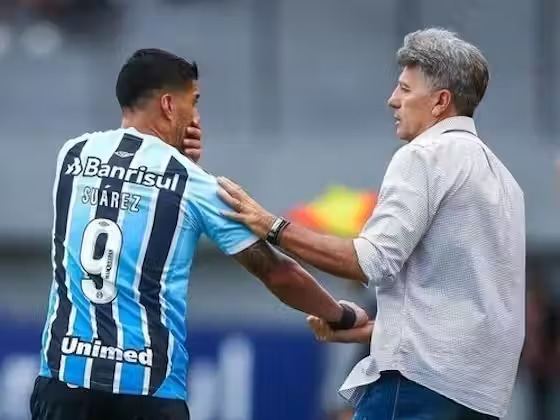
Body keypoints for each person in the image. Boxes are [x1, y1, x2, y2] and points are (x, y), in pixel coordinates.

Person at [30, 48, 368, 420]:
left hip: (63, 383)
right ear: (169, 105)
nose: (197, 116)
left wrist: (175, 157)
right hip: (147, 390)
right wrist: (338, 314)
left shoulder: (72, 156)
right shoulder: (193, 183)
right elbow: (277, 273)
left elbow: (128, 192)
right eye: (194, 102)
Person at [215, 28, 526, 420]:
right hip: (482, 397)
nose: (392, 100)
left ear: (440, 102)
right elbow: (467, 313)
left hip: (416, 389)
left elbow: (368, 261)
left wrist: (271, 226)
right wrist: (374, 331)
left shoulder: (425, 155)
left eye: (405, 89)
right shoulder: (505, 181)